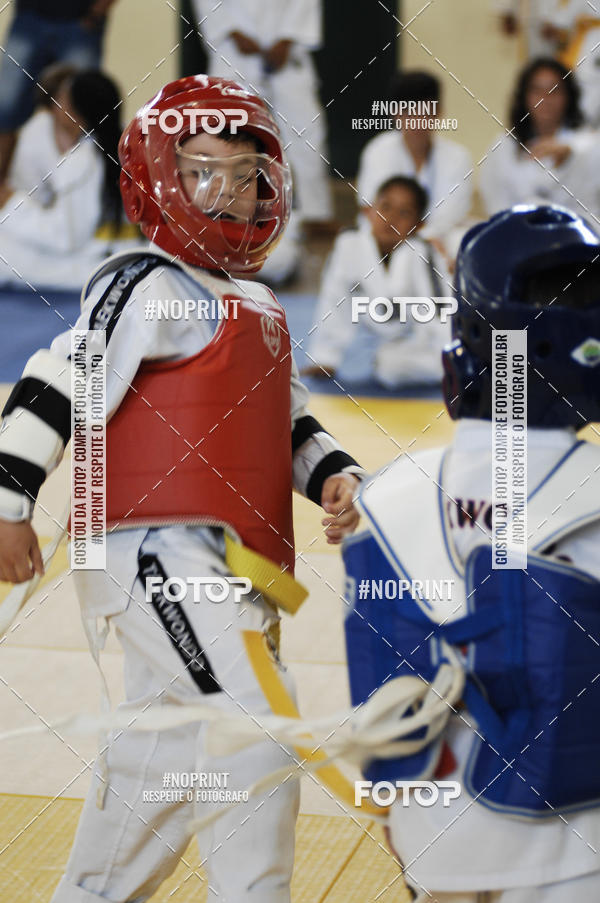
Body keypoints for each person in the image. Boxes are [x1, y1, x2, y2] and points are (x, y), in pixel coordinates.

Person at [0, 75, 363, 902]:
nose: (228, 192)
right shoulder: (142, 281)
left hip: (239, 570)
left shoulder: (263, 304)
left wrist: (340, 476)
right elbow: (61, 375)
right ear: (159, 179)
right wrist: (8, 502)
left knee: (158, 760)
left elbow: (289, 424)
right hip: (161, 549)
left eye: (245, 174)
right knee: (256, 727)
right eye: (204, 170)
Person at [343, 204, 600, 901]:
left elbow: (375, 696)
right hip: (574, 852)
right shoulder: (592, 497)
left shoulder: (385, 499)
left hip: (433, 846)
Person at [191, 0, 332, 227]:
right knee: (228, 134)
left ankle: (315, 215)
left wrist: (287, 39)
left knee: (307, 132)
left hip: (287, 53)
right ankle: (225, 209)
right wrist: (232, 31)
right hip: (234, 54)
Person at [303, 176, 450, 388]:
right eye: (385, 207)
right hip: (369, 347)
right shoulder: (349, 245)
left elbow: (439, 312)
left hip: (419, 345)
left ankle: (455, 368)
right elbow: (334, 302)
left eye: (404, 212)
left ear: (418, 225)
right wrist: (325, 358)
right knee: (376, 366)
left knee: (391, 367)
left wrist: (449, 354)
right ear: (369, 210)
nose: (391, 218)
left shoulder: (422, 253)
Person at [0, 67, 139, 290]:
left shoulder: (81, 161)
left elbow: (64, 238)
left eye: (62, 102)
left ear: (75, 113)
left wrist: (12, 204)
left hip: (91, 266)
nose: (57, 109)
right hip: (127, 254)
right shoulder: (133, 147)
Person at [356, 71, 473, 258]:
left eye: (425, 112)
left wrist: (424, 237)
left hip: (434, 238)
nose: (418, 121)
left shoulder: (458, 157)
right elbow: (371, 206)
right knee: (360, 237)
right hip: (387, 235)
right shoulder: (378, 151)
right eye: (409, 112)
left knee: (460, 238)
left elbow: (451, 214)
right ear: (395, 113)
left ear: (439, 113)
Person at [0, 0, 118, 181]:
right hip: (29, 17)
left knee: (82, 111)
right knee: (5, 108)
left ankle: (77, 186)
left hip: (81, 19)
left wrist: (97, 12)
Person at [479, 57, 600, 221]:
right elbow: (497, 207)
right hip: (519, 237)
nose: (545, 99)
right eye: (537, 90)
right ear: (524, 97)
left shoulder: (587, 143)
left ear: (569, 96)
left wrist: (571, 150)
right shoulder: (503, 147)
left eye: (554, 90)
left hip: (578, 237)